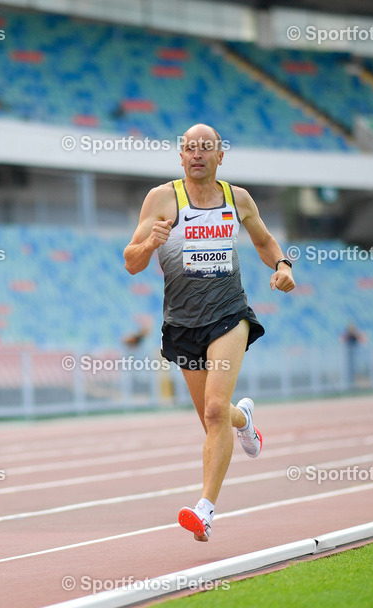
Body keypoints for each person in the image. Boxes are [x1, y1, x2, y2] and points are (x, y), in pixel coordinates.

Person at [124, 123, 296, 542]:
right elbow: (131, 262)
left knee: (215, 410)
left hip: (228, 314)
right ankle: (245, 420)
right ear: (181, 156)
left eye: (206, 148)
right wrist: (150, 244)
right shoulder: (162, 199)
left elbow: (264, 241)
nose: (197, 154)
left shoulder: (238, 199)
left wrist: (283, 265)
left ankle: (204, 510)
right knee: (212, 416)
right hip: (182, 323)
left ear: (221, 156)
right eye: (190, 148)